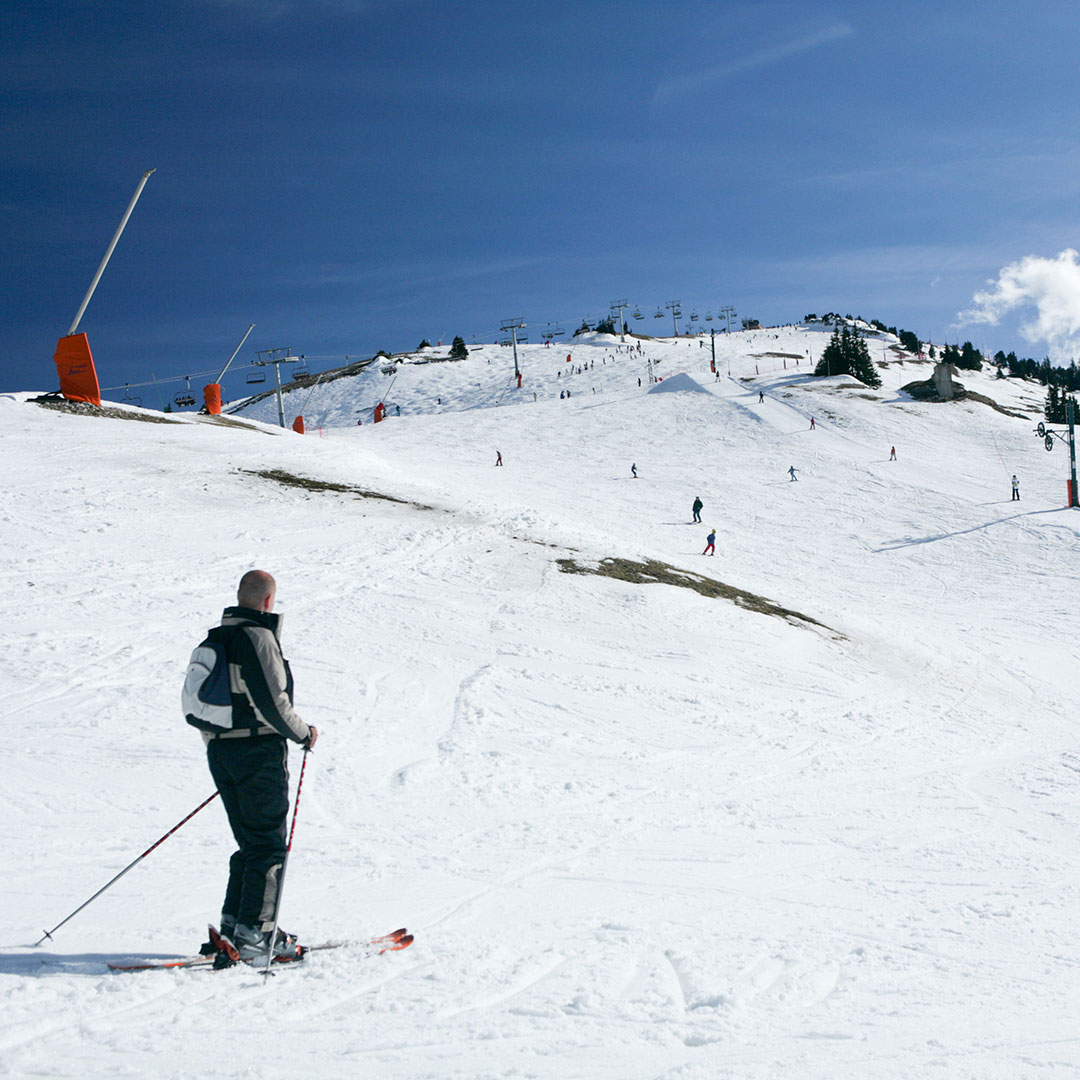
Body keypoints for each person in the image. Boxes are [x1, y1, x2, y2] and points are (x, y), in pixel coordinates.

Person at [198, 570, 317, 966]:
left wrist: (224, 748)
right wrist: (304, 734)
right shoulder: (258, 639)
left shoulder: (216, 639)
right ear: (268, 601)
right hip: (257, 752)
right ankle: (257, 935)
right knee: (267, 845)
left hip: (220, 751)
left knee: (250, 843)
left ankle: (234, 926)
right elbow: (272, 702)